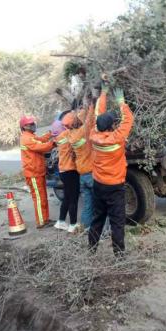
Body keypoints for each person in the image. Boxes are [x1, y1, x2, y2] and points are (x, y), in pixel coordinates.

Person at [88, 86, 134, 255]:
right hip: (115, 187)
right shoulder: (116, 139)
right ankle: (119, 256)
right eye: (114, 123)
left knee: (97, 219)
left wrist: (104, 92)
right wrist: (122, 103)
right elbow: (128, 120)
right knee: (117, 222)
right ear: (110, 127)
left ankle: (91, 250)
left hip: (99, 185)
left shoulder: (94, 135)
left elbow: (97, 114)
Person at [19, 115, 56, 229]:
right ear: (24, 127)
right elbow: (41, 147)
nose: (33, 125)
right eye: (30, 124)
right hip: (33, 173)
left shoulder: (30, 136)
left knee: (43, 197)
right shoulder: (26, 138)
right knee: (39, 199)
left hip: (38, 172)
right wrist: (53, 143)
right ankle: (41, 222)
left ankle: (45, 219)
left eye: (33, 123)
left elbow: (41, 140)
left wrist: (50, 134)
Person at [69, 94, 97, 232]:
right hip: (91, 173)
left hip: (82, 175)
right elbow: (90, 120)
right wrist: (92, 104)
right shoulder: (83, 132)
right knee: (100, 203)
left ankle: (86, 228)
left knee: (87, 205)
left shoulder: (71, 136)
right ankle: (100, 229)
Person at [54, 111, 81, 233]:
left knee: (67, 197)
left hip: (63, 171)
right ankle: (73, 224)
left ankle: (61, 221)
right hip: (70, 171)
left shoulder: (59, 137)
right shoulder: (68, 135)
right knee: (73, 199)